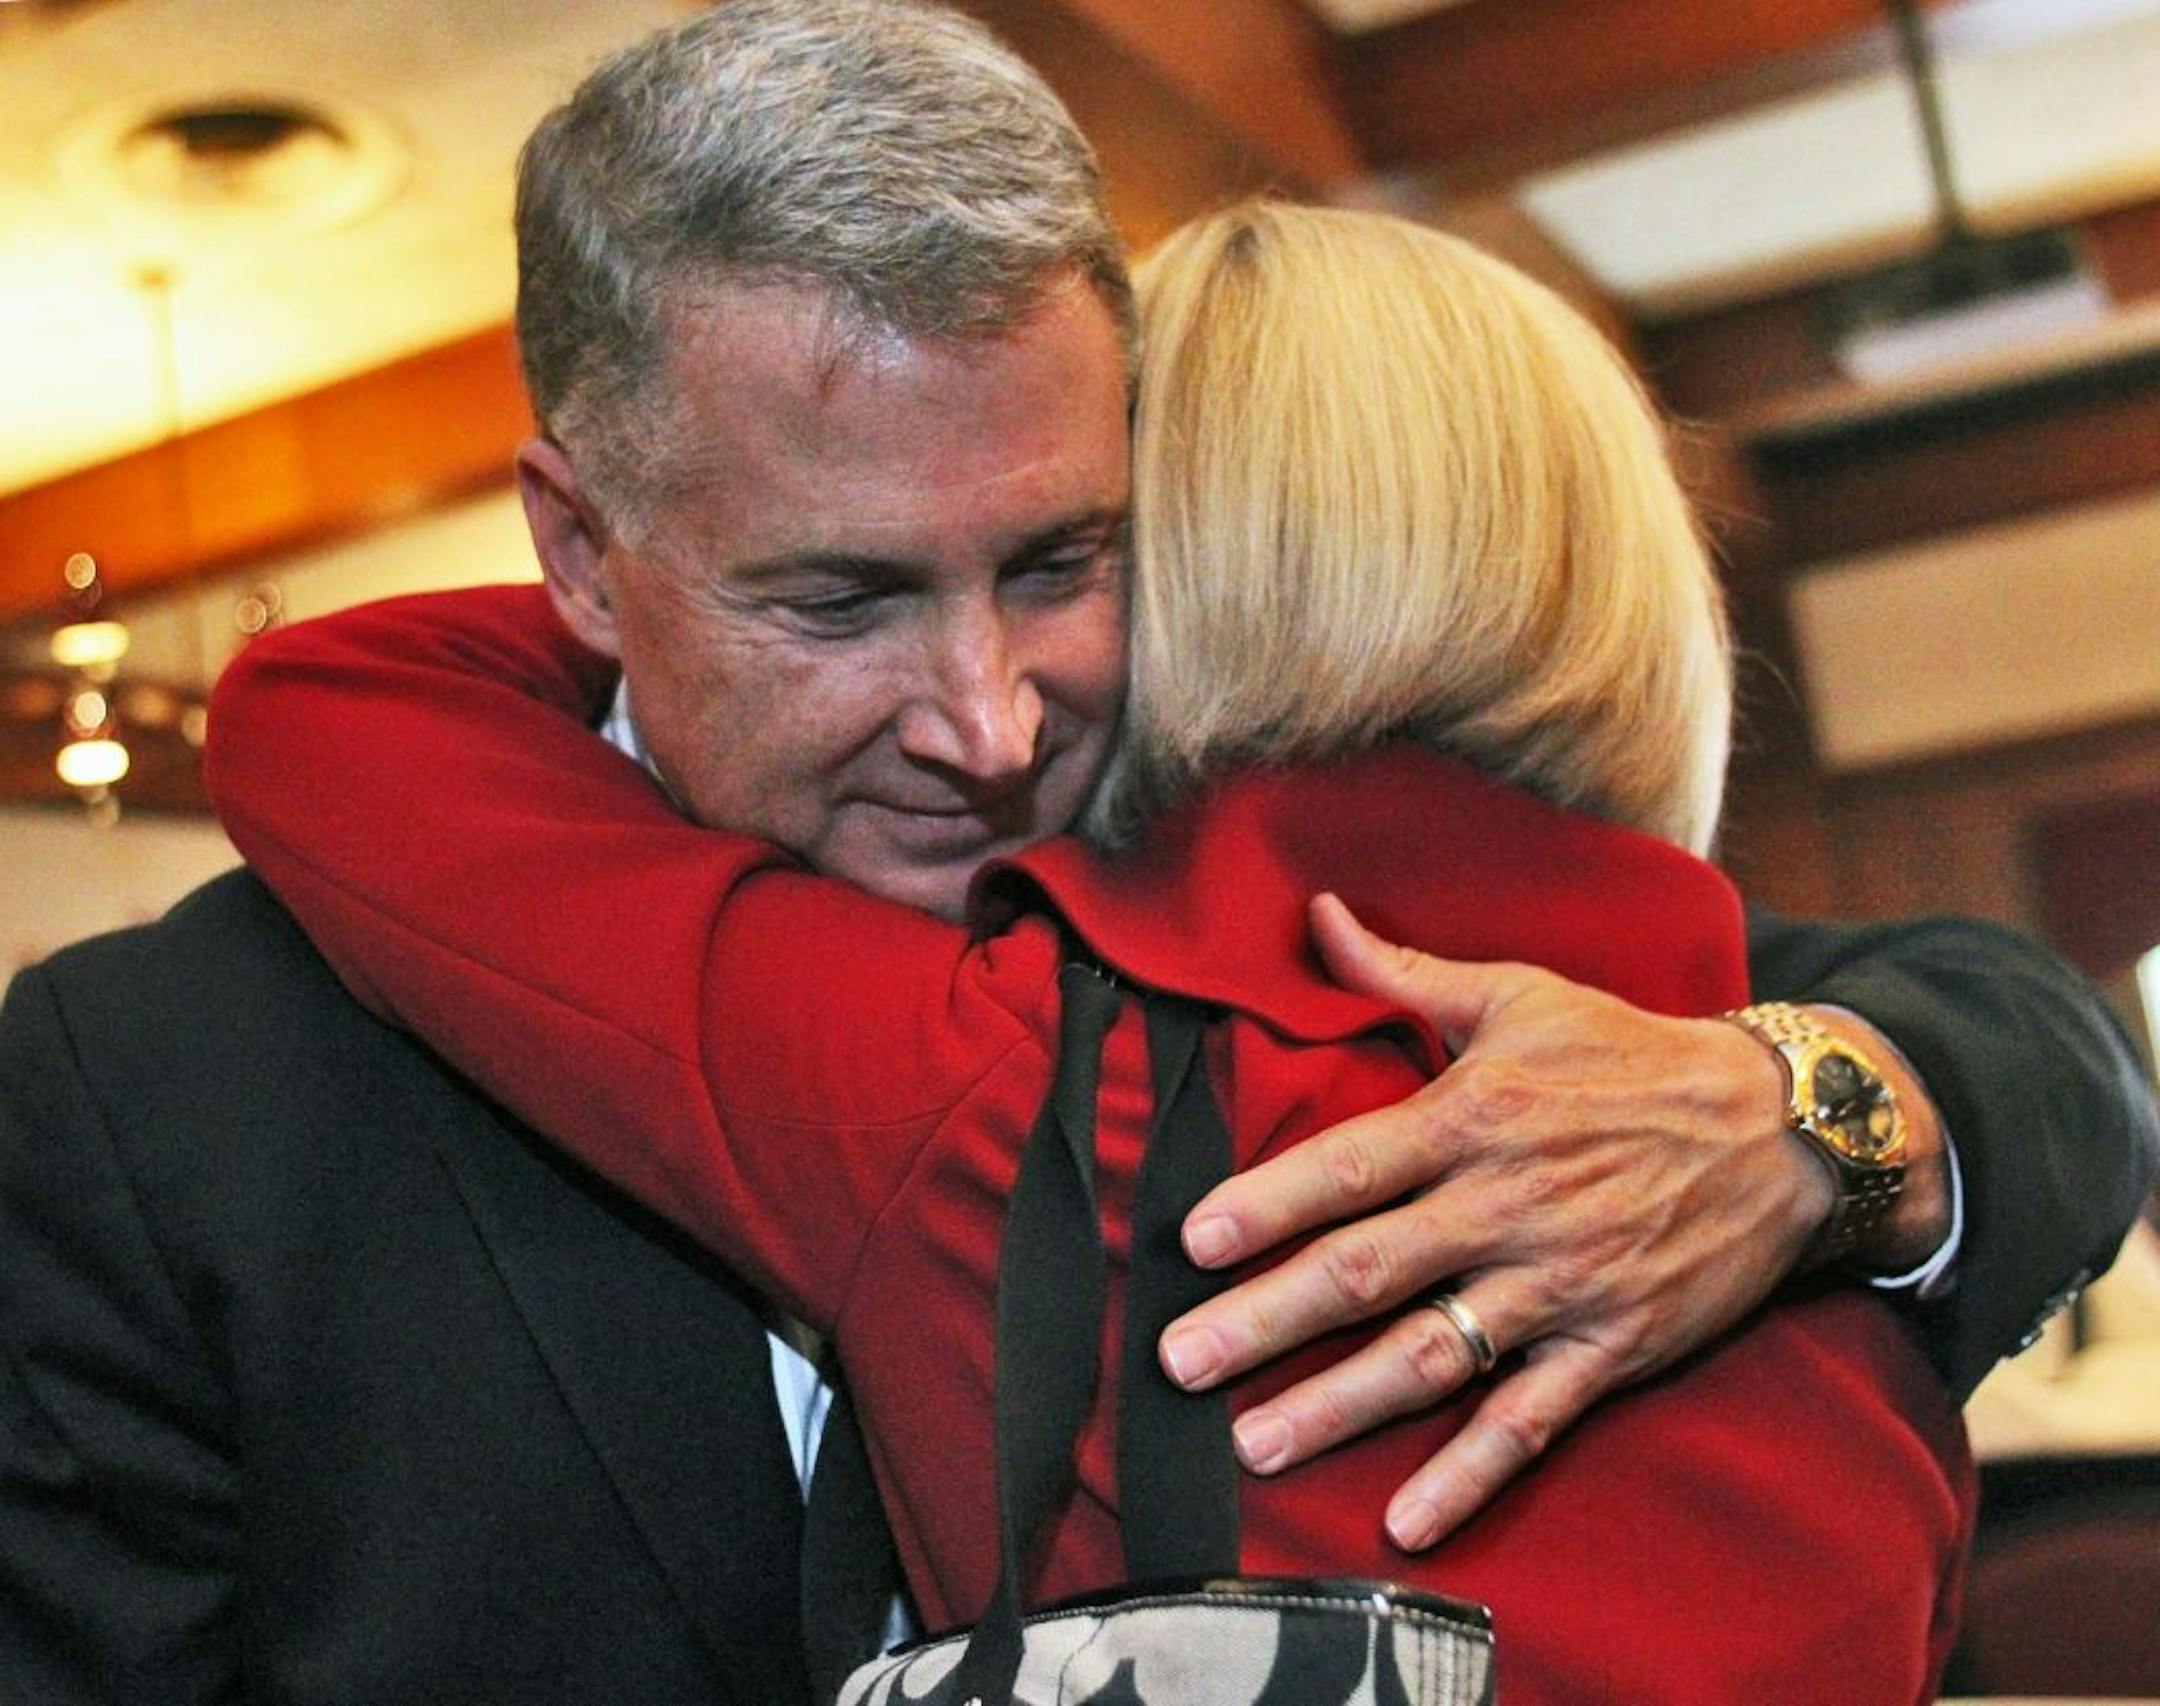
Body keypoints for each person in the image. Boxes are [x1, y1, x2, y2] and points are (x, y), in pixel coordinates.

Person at [1, 2, 2152, 1700]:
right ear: (581, 544)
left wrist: (1833, 1122)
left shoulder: (1643, 1050)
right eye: (832, 598)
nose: (990, 718)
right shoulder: (158, 1085)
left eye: (1065, 559)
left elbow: (2041, 1054)